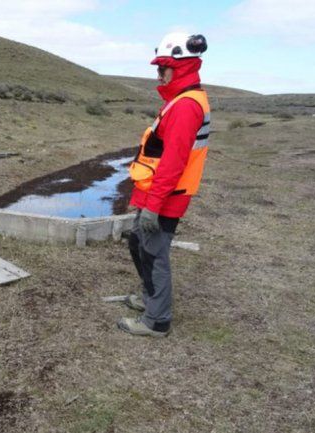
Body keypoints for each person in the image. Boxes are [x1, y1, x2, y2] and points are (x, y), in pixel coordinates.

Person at [117, 32, 210, 337]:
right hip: (156, 192)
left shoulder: (185, 106)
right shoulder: (180, 100)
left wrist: (153, 206)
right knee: (139, 244)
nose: (158, 74)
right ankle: (149, 299)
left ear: (180, 67)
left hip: (167, 195)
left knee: (154, 254)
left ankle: (156, 321)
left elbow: (173, 163)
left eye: (163, 68)